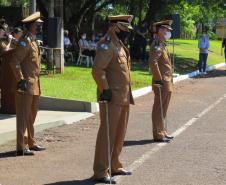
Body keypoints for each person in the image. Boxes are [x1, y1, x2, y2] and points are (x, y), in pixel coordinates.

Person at [91, 15, 135, 184]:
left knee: (119, 133)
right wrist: (105, 90)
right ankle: (101, 171)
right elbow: (97, 70)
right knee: (107, 134)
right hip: (111, 97)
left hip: (123, 96)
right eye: (125, 28)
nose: (127, 32)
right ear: (115, 27)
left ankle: (114, 164)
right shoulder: (106, 44)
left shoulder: (119, 44)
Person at [10, 12, 45, 156]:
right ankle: (21, 146)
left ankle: (31, 141)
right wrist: (20, 80)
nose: (40, 27)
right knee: (23, 116)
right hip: (25, 85)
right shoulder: (25, 41)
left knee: (31, 115)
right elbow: (14, 62)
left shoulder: (33, 40)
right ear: (31, 26)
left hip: (34, 84)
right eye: (38, 25)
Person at [149, 20, 174, 142]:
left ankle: (162, 131)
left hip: (167, 81)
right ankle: (158, 133)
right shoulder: (157, 44)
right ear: (159, 31)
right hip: (162, 82)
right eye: (166, 30)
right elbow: (153, 62)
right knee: (159, 108)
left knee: (164, 108)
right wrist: (158, 79)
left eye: (169, 30)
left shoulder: (163, 44)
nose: (168, 32)